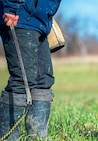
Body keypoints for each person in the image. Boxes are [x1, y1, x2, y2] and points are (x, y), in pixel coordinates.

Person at [0, 0, 61, 140]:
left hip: (39, 20)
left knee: (43, 80)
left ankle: (37, 137)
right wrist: (11, 7)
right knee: (22, 79)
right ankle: (7, 137)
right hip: (19, 14)